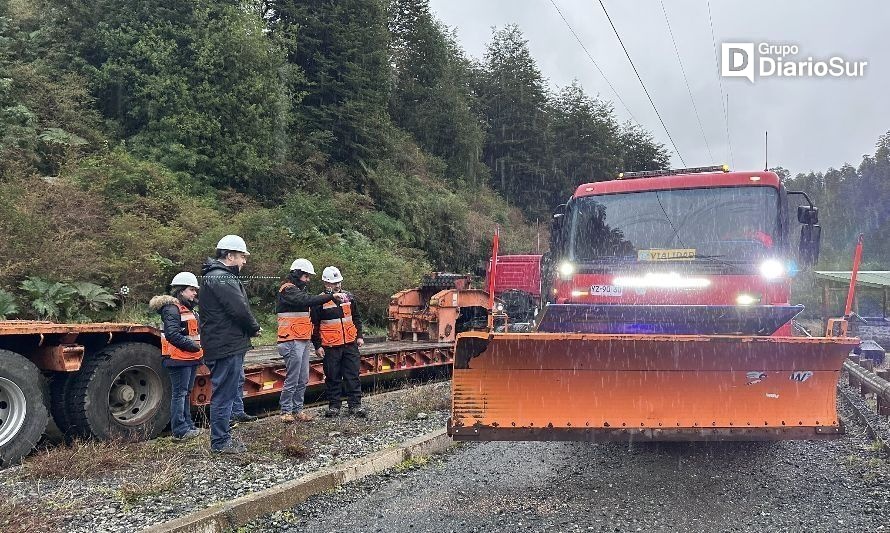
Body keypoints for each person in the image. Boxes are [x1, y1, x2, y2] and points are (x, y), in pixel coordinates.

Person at [199, 235, 261, 454]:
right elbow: (239, 309)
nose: (244, 261)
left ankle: (222, 438)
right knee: (224, 394)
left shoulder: (216, 276)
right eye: (242, 256)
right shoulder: (221, 278)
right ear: (230, 255)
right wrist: (254, 328)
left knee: (224, 392)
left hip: (223, 343)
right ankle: (220, 442)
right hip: (226, 345)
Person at [276, 259, 346, 423]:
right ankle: (286, 411)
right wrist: (331, 296)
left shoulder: (298, 291)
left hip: (301, 339)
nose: (308, 280)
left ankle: (298, 410)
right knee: (293, 378)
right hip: (291, 340)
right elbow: (306, 301)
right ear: (297, 274)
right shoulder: (288, 290)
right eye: (306, 276)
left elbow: (307, 302)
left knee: (303, 378)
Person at [149, 272, 203, 440]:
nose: (194, 293)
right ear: (180, 291)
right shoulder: (171, 309)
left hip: (191, 358)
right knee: (179, 394)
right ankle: (180, 430)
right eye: (191, 290)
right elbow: (172, 334)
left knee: (185, 393)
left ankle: (188, 425)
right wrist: (193, 346)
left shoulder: (188, 308)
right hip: (179, 359)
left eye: (195, 290)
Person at [312, 266, 366, 418]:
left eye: (339, 282)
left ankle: (355, 406)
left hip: (350, 345)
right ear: (325, 283)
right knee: (333, 377)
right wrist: (317, 345)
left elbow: (356, 318)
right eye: (333, 283)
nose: (337, 286)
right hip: (330, 347)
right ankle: (334, 406)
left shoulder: (349, 297)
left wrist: (359, 336)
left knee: (353, 376)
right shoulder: (319, 301)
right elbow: (314, 325)